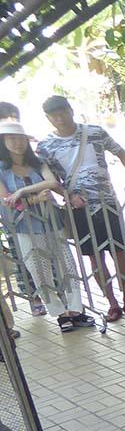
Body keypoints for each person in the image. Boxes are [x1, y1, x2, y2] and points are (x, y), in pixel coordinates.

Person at [36, 95, 125, 323]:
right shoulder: (45, 146)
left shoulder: (94, 132)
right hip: (79, 209)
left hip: (108, 202)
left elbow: (120, 152)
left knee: (120, 251)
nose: (59, 118)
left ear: (71, 110)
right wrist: (68, 196)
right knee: (95, 256)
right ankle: (112, 303)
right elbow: (51, 180)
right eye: (54, 115)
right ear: (48, 118)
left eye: (62, 112)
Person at [0, 120, 91, 331]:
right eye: (11, 138)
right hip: (25, 227)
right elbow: (6, 200)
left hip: (52, 222)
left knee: (67, 265)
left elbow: (52, 183)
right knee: (39, 271)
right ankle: (59, 313)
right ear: (3, 142)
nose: (17, 143)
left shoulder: (38, 163)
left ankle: (76, 310)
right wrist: (34, 199)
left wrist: (23, 191)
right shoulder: (2, 170)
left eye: (20, 138)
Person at [0, 101, 45, 318]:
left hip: (40, 211)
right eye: (6, 118)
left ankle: (53, 293)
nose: (11, 122)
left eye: (14, 117)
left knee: (46, 252)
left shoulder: (22, 144)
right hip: (13, 214)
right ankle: (33, 297)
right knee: (22, 254)